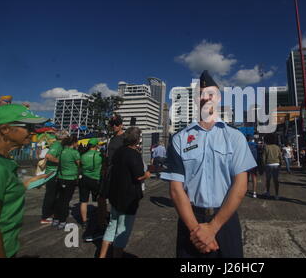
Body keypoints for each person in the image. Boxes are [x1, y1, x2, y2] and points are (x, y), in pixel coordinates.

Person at [161, 70, 257, 258]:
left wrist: (213, 227)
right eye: (200, 94)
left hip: (225, 220)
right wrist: (198, 232)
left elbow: (240, 185)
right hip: (191, 221)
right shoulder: (179, 139)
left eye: (210, 94)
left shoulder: (235, 137)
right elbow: (175, 190)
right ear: (195, 100)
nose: (205, 98)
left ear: (219, 98)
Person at [0, 105, 50, 258]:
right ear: (5, 129)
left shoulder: (7, 161)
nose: (33, 131)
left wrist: (26, 183)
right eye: (28, 126)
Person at [99, 127, 150, 258]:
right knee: (122, 230)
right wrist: (147, 174)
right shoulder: (135, 155)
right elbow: (139, 176)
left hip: (115, 195)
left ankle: (102, 255)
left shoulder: (119, 151)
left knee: (112, 226)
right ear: (138, 140)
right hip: (128, 199)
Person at [40, 130, 69, 225]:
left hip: (55, 173)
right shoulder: (57, 145)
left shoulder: (60, 145)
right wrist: (61, 162)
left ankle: (50, 213)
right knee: (50, 195)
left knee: (55, 195)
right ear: (63, 138)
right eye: (67, 137)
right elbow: (48, 156)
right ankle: (45, 216)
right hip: (51, 174)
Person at [52, 135, 80, 229]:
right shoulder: (74, 153)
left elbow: (59, 163)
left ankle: (56, 218)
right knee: (65, 201)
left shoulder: (62, 152)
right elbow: (79, 164)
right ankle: (62, 220)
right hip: (70, 178)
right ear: (74, 143)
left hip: (61, 177)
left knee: (59, 199)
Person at [79, 138, 103, 242]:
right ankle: (100, 219)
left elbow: (79, 166)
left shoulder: (83, 155)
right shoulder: (99, 155)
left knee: (83, 201)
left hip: (84, 179)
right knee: (99, 200)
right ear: (96, 145)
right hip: (96, 179)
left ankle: (84, 222)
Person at [262, 134, 282, 200]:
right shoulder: (277, 147)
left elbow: (263, 158)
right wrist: (280, 164)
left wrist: (264, 165)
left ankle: (268, 193)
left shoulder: (266, 147)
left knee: (268, 180)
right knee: (276, 180)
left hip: (268, 164)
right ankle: (277, 194)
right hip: (276, 164)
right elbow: (280, 157)